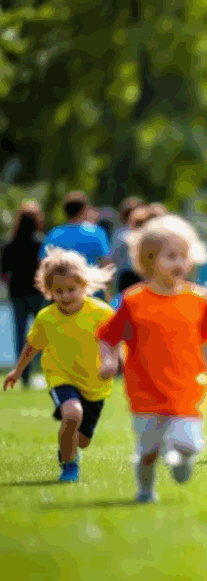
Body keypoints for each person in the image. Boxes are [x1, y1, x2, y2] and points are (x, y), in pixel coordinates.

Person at [96, 215, 207, 503]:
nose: (179, 263)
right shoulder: (134, 301)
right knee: (148, 452)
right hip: (145, 390)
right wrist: (107, 361)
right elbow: (107, 336)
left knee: (188, 444)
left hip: (186, 387)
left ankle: (179, 459)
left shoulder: (197, 300)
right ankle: (145, 490)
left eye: (183, 256)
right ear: (149, 260)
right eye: (170, 256)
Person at [2, 247, 115, 482]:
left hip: (94, 381)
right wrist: (18, 370)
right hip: (60, 375)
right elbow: (32, 345)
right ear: (48, 290)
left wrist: (112, 361)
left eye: (71, 290)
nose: (65, 296)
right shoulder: (46, 317)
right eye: (58, 291)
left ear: (84, 286)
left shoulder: (101, 312)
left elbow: (115, 341)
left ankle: (69, 449)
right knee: (72, 414)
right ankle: (69, 465)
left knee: (83, 439)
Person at [1, 200, 46, 389]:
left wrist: (10, 285)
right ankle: (46, 373)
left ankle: (24, 377)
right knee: (43, 334)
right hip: (37, 292)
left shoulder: (11, 244)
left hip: (18, 293)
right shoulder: (40, 243)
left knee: (21, 337)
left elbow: (4, 272)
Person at [39, 191, 110, 267]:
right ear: (84, 210)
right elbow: (106, 262)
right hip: (89, 278)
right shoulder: (97, 233)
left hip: (59, 278)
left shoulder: (53, 234)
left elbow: (42, 261)